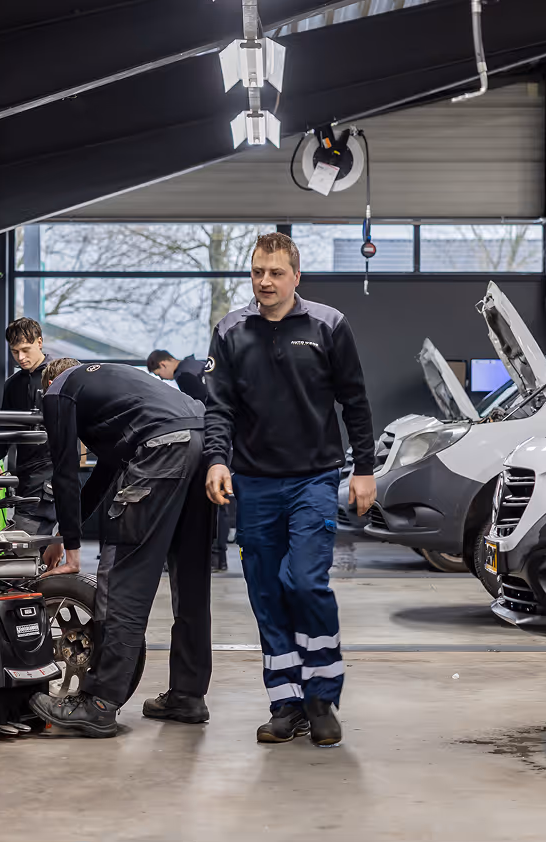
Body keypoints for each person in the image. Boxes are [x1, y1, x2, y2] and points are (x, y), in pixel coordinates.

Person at [203, 232, 376, 748]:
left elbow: (355, 402)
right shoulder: (231, 331)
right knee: (266, 591)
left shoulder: (327, 325)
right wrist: (217, 459)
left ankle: (322, 696)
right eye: (258, 272)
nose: (265, 282)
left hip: (313, 480)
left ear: (296, 276)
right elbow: (219, 408)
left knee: (303, 581)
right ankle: (286, 702)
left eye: (276, 272)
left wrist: (363, 469)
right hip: (253, 484)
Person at [28, 357, 213, 738]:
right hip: (204, 443)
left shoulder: (58, 391)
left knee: (124, 578)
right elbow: (104, 472)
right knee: (190, 581)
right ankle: (188, 695)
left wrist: (74, 553)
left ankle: (99, 703)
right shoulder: (115, 390)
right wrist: (67, 534)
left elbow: (64, 470)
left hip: (162, 447)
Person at [147, 348, 229, 573]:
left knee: (213, 496)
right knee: (221, 499)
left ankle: (212, 556)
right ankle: (219, 557)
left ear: (163, 364)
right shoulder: (199, 364)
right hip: (228, 437)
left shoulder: (184, 375)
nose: (162, 378)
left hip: (213, 440)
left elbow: (201, 410)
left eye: (158, 373)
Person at [0, 318, 55, 535]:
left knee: (25, 533)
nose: (21, 358)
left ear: (40, 342)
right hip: (27, 468)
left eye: (26, 350)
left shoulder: (61, 376)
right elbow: (6, 425)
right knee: (33, 538)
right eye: (15, 352)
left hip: (56, 465)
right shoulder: (13, 384)